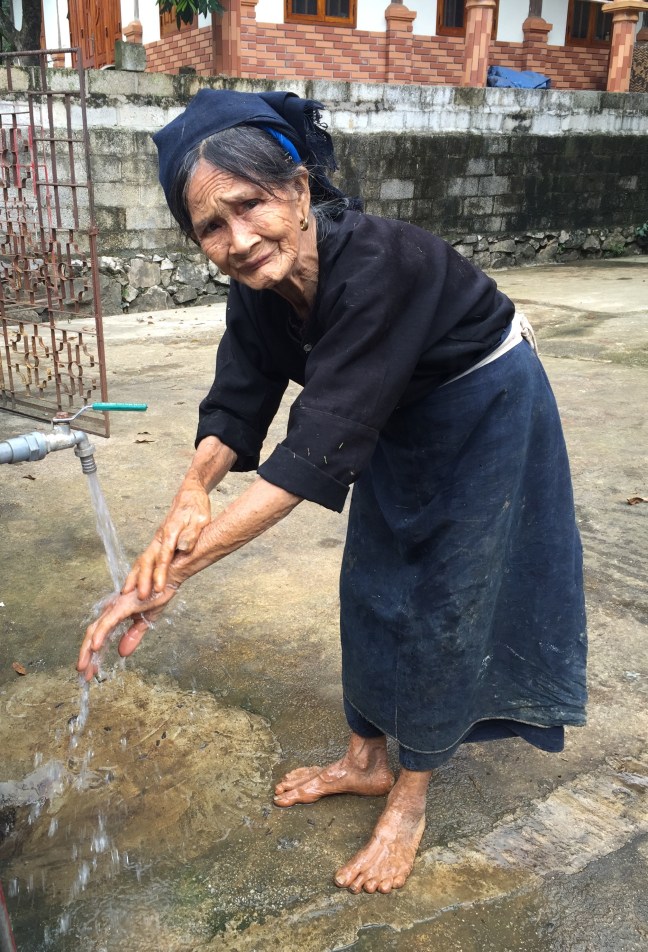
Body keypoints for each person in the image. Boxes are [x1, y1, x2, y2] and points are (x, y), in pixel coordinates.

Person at [77, 89, 587, 895]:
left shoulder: (380, 266)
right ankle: (365, 759)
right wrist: (191, 490)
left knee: (446, 597)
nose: (240, 240)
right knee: (372, 582)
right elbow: (239, 401)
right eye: (211, 226)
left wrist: (167, 575)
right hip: (389, 404)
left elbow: (309, 455)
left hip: (483, 402)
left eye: (251, 205)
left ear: (299, 189)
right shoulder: (258, 287)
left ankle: (410, 800)